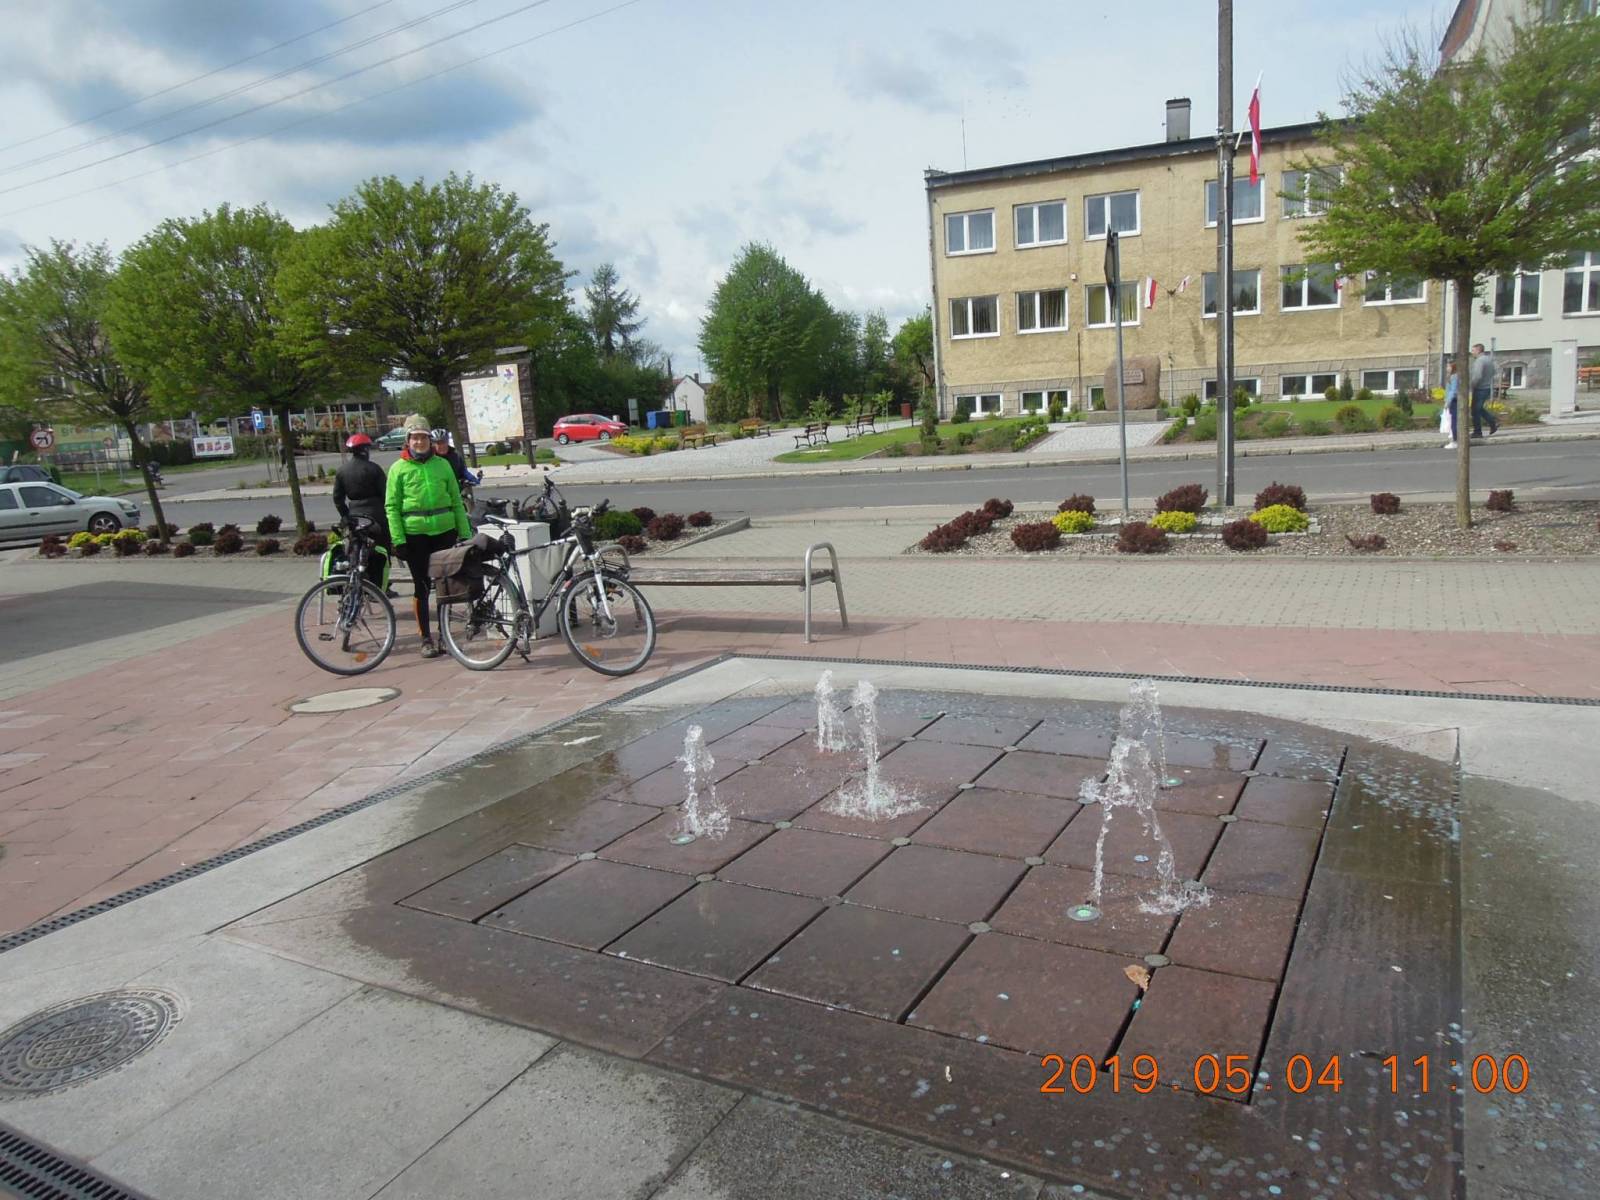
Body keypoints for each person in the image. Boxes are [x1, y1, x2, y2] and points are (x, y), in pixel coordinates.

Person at [386, 414, 471, 658]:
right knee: (421, 587)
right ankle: (426, 638)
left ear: (429, 440)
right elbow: (391, 507)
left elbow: (456, 500)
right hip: (415, 535)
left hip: (444, 531)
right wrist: (398, 540)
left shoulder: (442, 465)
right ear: (408, 440)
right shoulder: (398, 469)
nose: (420, 442)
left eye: (423, 437)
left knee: (446, 587)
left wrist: (464, 532)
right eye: (415, 438)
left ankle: (445, 635)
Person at [332, 433, 390, 591]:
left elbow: (337, 498)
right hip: (376, 516)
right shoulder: (374, 469)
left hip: (354, 517)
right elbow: (386, 494)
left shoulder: (342, 471)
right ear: (365, 450)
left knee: (355, 550)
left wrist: (345, 516)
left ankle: (356, 584)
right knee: (382, 550)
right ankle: (382, 587)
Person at [1470, 342, 1499, 439]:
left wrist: (1472, 385)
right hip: (1487, 387)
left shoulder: (1479, 361)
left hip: (1480, 388)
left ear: (1478, 350)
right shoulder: (1489, 359)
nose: (1472, 352)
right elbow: (1495, 371)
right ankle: (1493, 422)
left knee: (1475, 411)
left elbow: (1477, 376)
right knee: (1478, 408)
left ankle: (1478, 431)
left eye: (1473, 350)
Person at [1442, 362, 1460, 450]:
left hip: (1454, 401)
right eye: (1447, 366)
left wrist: (1448, 402)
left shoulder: (1454, 377)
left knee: (1454, 421)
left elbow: (1453, 390)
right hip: (1452, 400)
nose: (1447, 368)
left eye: (1449, 366)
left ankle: (1455, 441)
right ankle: (1454, 439)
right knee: (1452, 420)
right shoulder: (1451, 376)